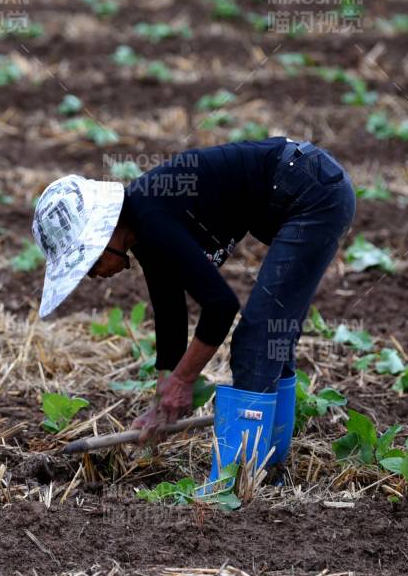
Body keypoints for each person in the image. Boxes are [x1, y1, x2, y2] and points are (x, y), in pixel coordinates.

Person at [32, 138, 354, 482]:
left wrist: (183, 382)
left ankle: (234, 485)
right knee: (274, 335)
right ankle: (270, 471)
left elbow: (220, 307)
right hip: (305, 185)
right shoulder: (143, 223)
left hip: (312, 193)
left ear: (101, 235)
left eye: (89, 264)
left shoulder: (151, 217)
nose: (94, 275)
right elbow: (170, 310)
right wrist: (161, 398)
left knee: (257, 339)